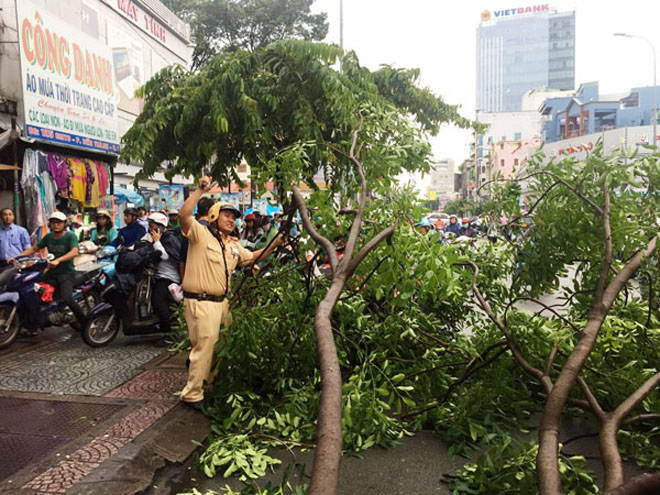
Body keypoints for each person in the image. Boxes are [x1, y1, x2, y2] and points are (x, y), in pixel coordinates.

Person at [178, 176, 285, 408]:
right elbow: (183, 216)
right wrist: (199, 190)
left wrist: (274, 244)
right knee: (205, 346)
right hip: (201, 301)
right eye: (227, 215)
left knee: (221, 346)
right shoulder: (200, 234)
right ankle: (192, 394)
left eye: (234, 217)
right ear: (214, 217)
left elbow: (252, 257)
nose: (231, 220)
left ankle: (209, 386)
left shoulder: (232, 245)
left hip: (221, 303)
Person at [11, 212, 86, 328]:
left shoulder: (70, 236)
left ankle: (84, 323)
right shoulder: (49, 237)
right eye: (53, 222)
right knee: (31, 289)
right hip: (50, 272)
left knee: (67, 297)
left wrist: (58, 260)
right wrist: (17, 258)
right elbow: (34, 249)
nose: (55, 225)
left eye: (59, 222)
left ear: (64, 224)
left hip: (66, 273)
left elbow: (74, 252)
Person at [147, 212, 181, 333]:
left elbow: (165, 256)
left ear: (160, 227)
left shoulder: (169, 238)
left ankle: (169, 332)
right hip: (159, 276)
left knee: (158, 302)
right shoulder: (161, 238)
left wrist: (156, 242)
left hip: (168, 278)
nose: (150, 229)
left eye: (152, 226)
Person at [179, 197, 214, 279]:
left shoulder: (190, 229)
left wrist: (183, 280)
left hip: (191, 279)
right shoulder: (215, 231)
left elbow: (182, 261)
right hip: (209, 279)